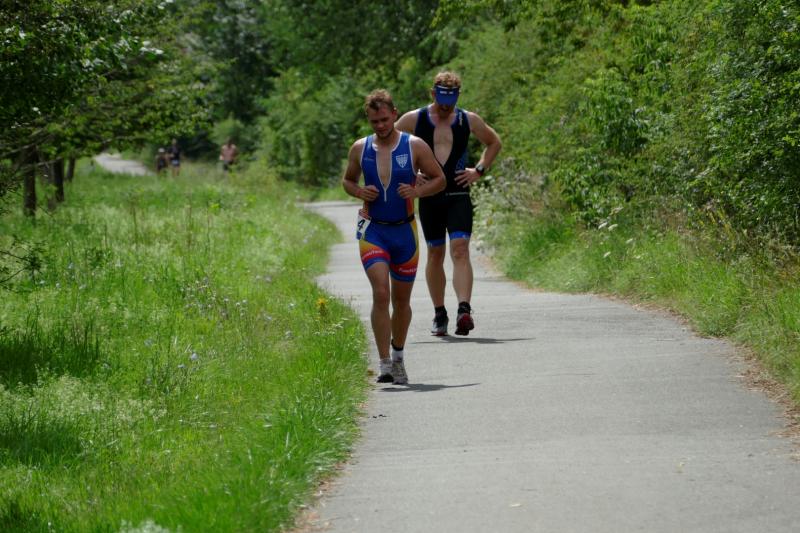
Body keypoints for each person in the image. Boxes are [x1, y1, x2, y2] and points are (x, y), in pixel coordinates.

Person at [342, 89, 446, 384]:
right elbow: (348, 180)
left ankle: (398, 356)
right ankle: (384, 362)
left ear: (395, 115)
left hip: (405, 233)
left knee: (401, 301)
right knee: (380, 293)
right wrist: (359, 191)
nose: (380, 126)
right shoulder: (360, 148)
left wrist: (417, 191)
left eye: (385, 120)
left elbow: (440, 180)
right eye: (374, 121)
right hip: (373, 230)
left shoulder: (414, 145)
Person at [396, 71, 501, 336]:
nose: (445, 107)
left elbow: (493, 142)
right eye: (442, 101)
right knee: (435, 254)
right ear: (433, 94)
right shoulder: (414, 119)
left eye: (450, 101)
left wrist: (478, 170)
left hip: (458, 194)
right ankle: (439, 312)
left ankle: (464, 310)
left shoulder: (468, 119)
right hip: (429, 196)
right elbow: (389, 144)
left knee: (460, 249)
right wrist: (411, 174)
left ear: (457, 96)